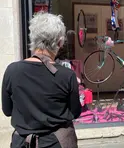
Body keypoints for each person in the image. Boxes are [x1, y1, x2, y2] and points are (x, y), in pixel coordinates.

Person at [1, 12, 82, 148]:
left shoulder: (12, 70)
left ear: (32, 38)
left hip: (21, 143)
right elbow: (75, 112)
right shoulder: (67, 75)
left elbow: (7, 110)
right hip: (57, 143)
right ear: (60, 42)